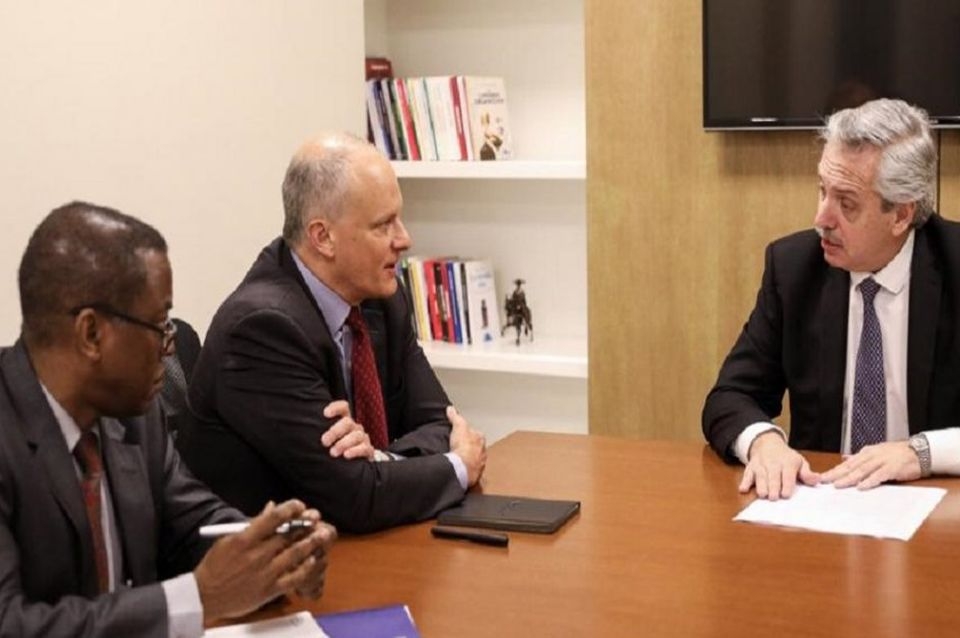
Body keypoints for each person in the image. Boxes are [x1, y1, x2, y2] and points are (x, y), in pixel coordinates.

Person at [0, 202, 336, 637]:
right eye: (160, 326)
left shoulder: (134, 416)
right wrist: (200, 597)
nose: (170, 347)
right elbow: (10, 625)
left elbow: (192, 523)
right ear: (91, 334)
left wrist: (275, 553)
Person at [179, 133, 487, 534]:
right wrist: (458, 466)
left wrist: (379, 461)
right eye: (383, 225)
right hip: (272, 560)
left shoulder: (382, 299)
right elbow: (354, 496)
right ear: (322, 237)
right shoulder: (261, 328)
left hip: (350, 543)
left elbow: (443, 423)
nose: (404, 239)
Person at [703, 98, 960, 500]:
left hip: (935, 511)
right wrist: (764, 443)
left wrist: (921, 453)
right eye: (822, 191)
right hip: (823, 503)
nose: (821, 218)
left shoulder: (954, 266)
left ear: (901, 215)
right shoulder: (794, 269)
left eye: (847, 203)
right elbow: (731, 396)